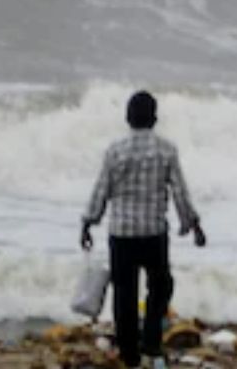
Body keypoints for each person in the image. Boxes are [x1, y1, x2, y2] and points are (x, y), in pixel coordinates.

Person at [80, 91, 206, 369]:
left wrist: (88, 222)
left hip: (122, 234)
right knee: (161, 286)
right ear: (154, 118)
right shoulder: (166, 149)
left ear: (128, 118)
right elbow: (180, 192)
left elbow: (101, 191)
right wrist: (192, 224)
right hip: (153, 233)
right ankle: (150, 337)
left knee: (124, 293)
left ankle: (129, 353)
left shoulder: (115, 150)